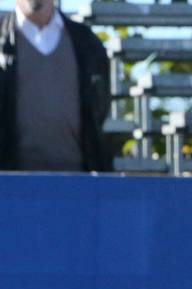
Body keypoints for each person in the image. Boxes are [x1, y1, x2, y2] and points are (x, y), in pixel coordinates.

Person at [0, 0, 112, 172]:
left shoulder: (87, 43)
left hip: (78, 182)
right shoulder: (2, 41)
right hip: (10, 184)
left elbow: (99, 111)